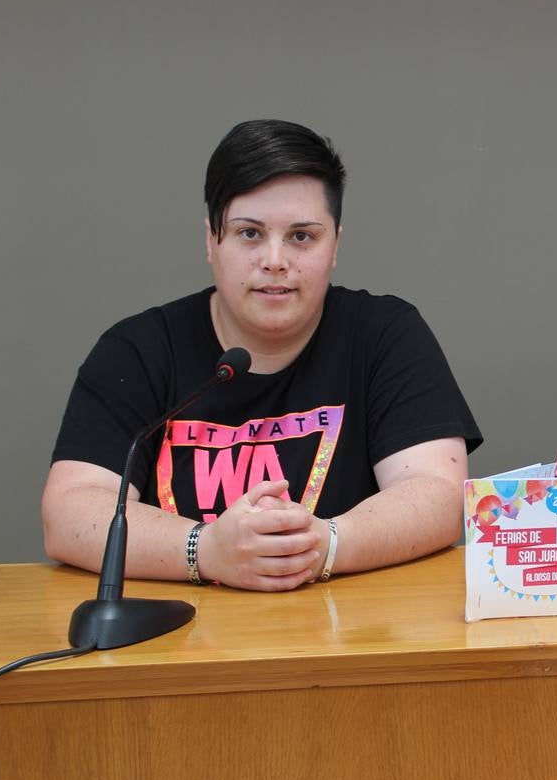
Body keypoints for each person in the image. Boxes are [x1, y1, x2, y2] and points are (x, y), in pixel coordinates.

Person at [43, 119, 482, 591]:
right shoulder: (137, 352)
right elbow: (70, 512)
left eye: (301, 237)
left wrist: (324, 544)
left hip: (348, 639)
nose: (275, 260)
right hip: (174, 641)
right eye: (249, 234)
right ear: (211, 241)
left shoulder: (385, 335)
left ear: (335, 245)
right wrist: (206, 550)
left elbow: (437, 495)